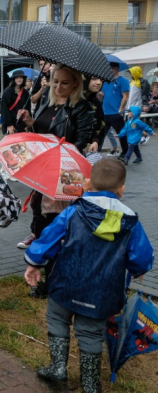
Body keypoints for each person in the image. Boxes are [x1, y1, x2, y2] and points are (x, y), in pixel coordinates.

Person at [24, 158, 153, 393]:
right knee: (91, 332)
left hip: (65, 285)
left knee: (57, 319)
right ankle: (91, 383)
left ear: (87, 183)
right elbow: (142, 256)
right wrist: (138, 270)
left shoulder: (73, 212)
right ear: (121, 189)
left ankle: (58, 368)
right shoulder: (130, 222)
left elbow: (47, 239)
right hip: (102, 293)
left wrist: (34, 263)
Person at [15, 64, 94, 299]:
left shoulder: (82, 108)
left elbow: (81, 142)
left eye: (65, 83)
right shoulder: (47, 104)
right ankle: (45, 276)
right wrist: (30, 122)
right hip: (45, 173)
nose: (58, 87)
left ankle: (56, 281)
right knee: (41, 225)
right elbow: (41, 135)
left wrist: (63, 149)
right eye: (55, 81)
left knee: (59, 229)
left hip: (68, 175)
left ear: (76, 84)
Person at [100, 62, 130, 155]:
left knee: (122, 135)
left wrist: (120, 109)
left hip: (116, 113)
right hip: (105, 113)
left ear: (116, 68)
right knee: (100, 135)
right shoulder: (105, 81)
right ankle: (96, 152)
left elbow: (125, 96)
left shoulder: (123, 81)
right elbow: (102, 94)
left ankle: (125, 153)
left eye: (111, 68)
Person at [0, 71, 29, 135]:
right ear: (14, 79)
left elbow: (28, 109)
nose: (19, 79)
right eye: (17, 78)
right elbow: (4, 109)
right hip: (11, 124)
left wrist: (28, 124)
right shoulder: (7, 91)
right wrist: (9, 125)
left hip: (22, 124)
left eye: (21, 77)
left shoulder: (26, 93)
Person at [83, 76, 106, 153]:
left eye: (100, 79)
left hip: (89, 150)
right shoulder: (72, 100)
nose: (99, 82)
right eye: (94, 78)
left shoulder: (96, 103)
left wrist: (96, 141)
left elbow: (100, 125)